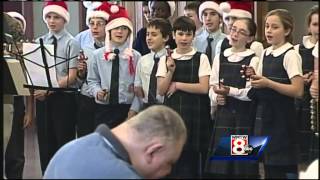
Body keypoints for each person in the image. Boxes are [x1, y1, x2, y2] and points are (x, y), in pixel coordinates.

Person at [43, 105, 187, 179]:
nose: (167, 172)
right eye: (169, 163)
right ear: (153, 150)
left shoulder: (70, 149)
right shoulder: (124, 175)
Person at [247, 9, 304, 179]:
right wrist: (256, 78)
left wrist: (268, 83)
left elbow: (298, 90)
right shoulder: (265, 52)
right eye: (266, 26)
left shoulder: (291, 54)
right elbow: (264, 82)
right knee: (268, 167)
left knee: (282, 168)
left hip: (283, 119)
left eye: (274, 27)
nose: (269, 31)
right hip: (265, 116)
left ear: (286, 31)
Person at [157, 16, 211, 178]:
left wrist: (177, 85)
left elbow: (203, 88)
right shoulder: (165, 58)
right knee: (173, 158)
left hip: (196, 113)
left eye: (188, 34)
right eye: (180, 34)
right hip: (173, 113)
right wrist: (171, 71)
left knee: (192, 160)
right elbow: (161, 90)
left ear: (194, 36)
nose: (184, 38)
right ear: (173, 35)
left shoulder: (201, 57)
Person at [205, 18, 260, 178]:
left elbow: (251, 93)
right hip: (224, 116)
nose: (235, 34)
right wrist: (216, 96)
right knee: (221, 169)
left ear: (249, 38)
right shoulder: (220, 57)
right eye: (233, 29)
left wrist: (229, 92)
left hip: (244, 118)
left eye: (241, 32)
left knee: (241, 169)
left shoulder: (253, 59)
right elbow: (212, 85)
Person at [34, 1, 80, 173]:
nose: (52, 21)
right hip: (43, 98)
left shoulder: (71, 43)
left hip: (64, 99)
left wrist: (51, 88)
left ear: (64, 19)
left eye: (56, 17)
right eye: (49, 17)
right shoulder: (39, 41)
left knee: (63, 142)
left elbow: (72, 75)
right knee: (45, 143)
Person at [87, 2, 141, 129]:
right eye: (116, 28)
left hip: (127, 109)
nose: (120, 31)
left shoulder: (136, 56)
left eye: (124, 28)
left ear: (129, 32)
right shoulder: (97, 55)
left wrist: (133, 111)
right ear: (109, 31)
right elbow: (92, 81)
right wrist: (97, 92)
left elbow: (139, 87)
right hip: (104, 109)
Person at [75, 2, 109, 137]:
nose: (94, 27)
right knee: (85, 136)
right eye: (92, 23)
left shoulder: (113, 49)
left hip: (106, 100)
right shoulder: (85, 48)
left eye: (99, 24)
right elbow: (81, 79)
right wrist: (81, 72)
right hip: (87, 99)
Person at [293, 5, 318, 169]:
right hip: (302, 106)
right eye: (315, 24)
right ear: (309, 26)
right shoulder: (297, 49)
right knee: (304, 159)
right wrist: (301, 78)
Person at [134, 18, 172, 111]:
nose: (149, 38)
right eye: (147, 34)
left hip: (167, 107)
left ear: (165, 38)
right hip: (147, 107)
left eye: (154, 35)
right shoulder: (142, 60)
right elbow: (138, 85)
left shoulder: (171, 59)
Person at [194, 1, 226, 66]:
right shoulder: (194, 41)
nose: (208, 18)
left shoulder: (226, 40)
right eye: (205, 15)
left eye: (213, 14)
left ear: (220, 19)